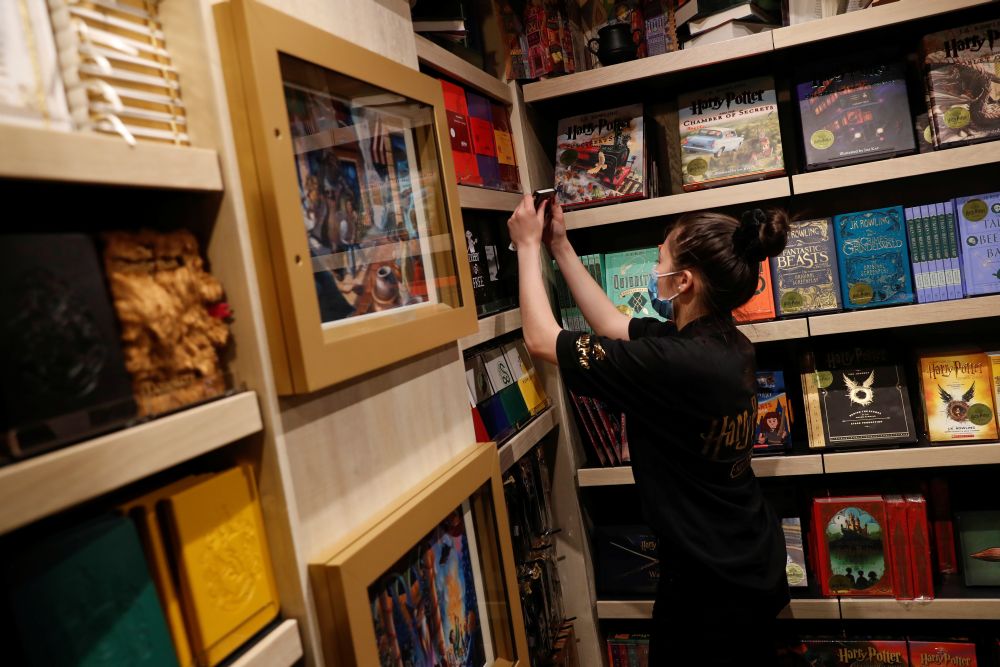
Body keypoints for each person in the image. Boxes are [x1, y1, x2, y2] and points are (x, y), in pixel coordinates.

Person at [507, 194, 791, 665]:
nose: (652, 266)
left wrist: (524, 247)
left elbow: (540, 339)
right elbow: (614, 324)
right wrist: (559, 246)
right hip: (744, 558)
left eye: (659, 258)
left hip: (709, 587)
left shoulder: (676, 363)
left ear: (683, 282)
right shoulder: (719, 344)